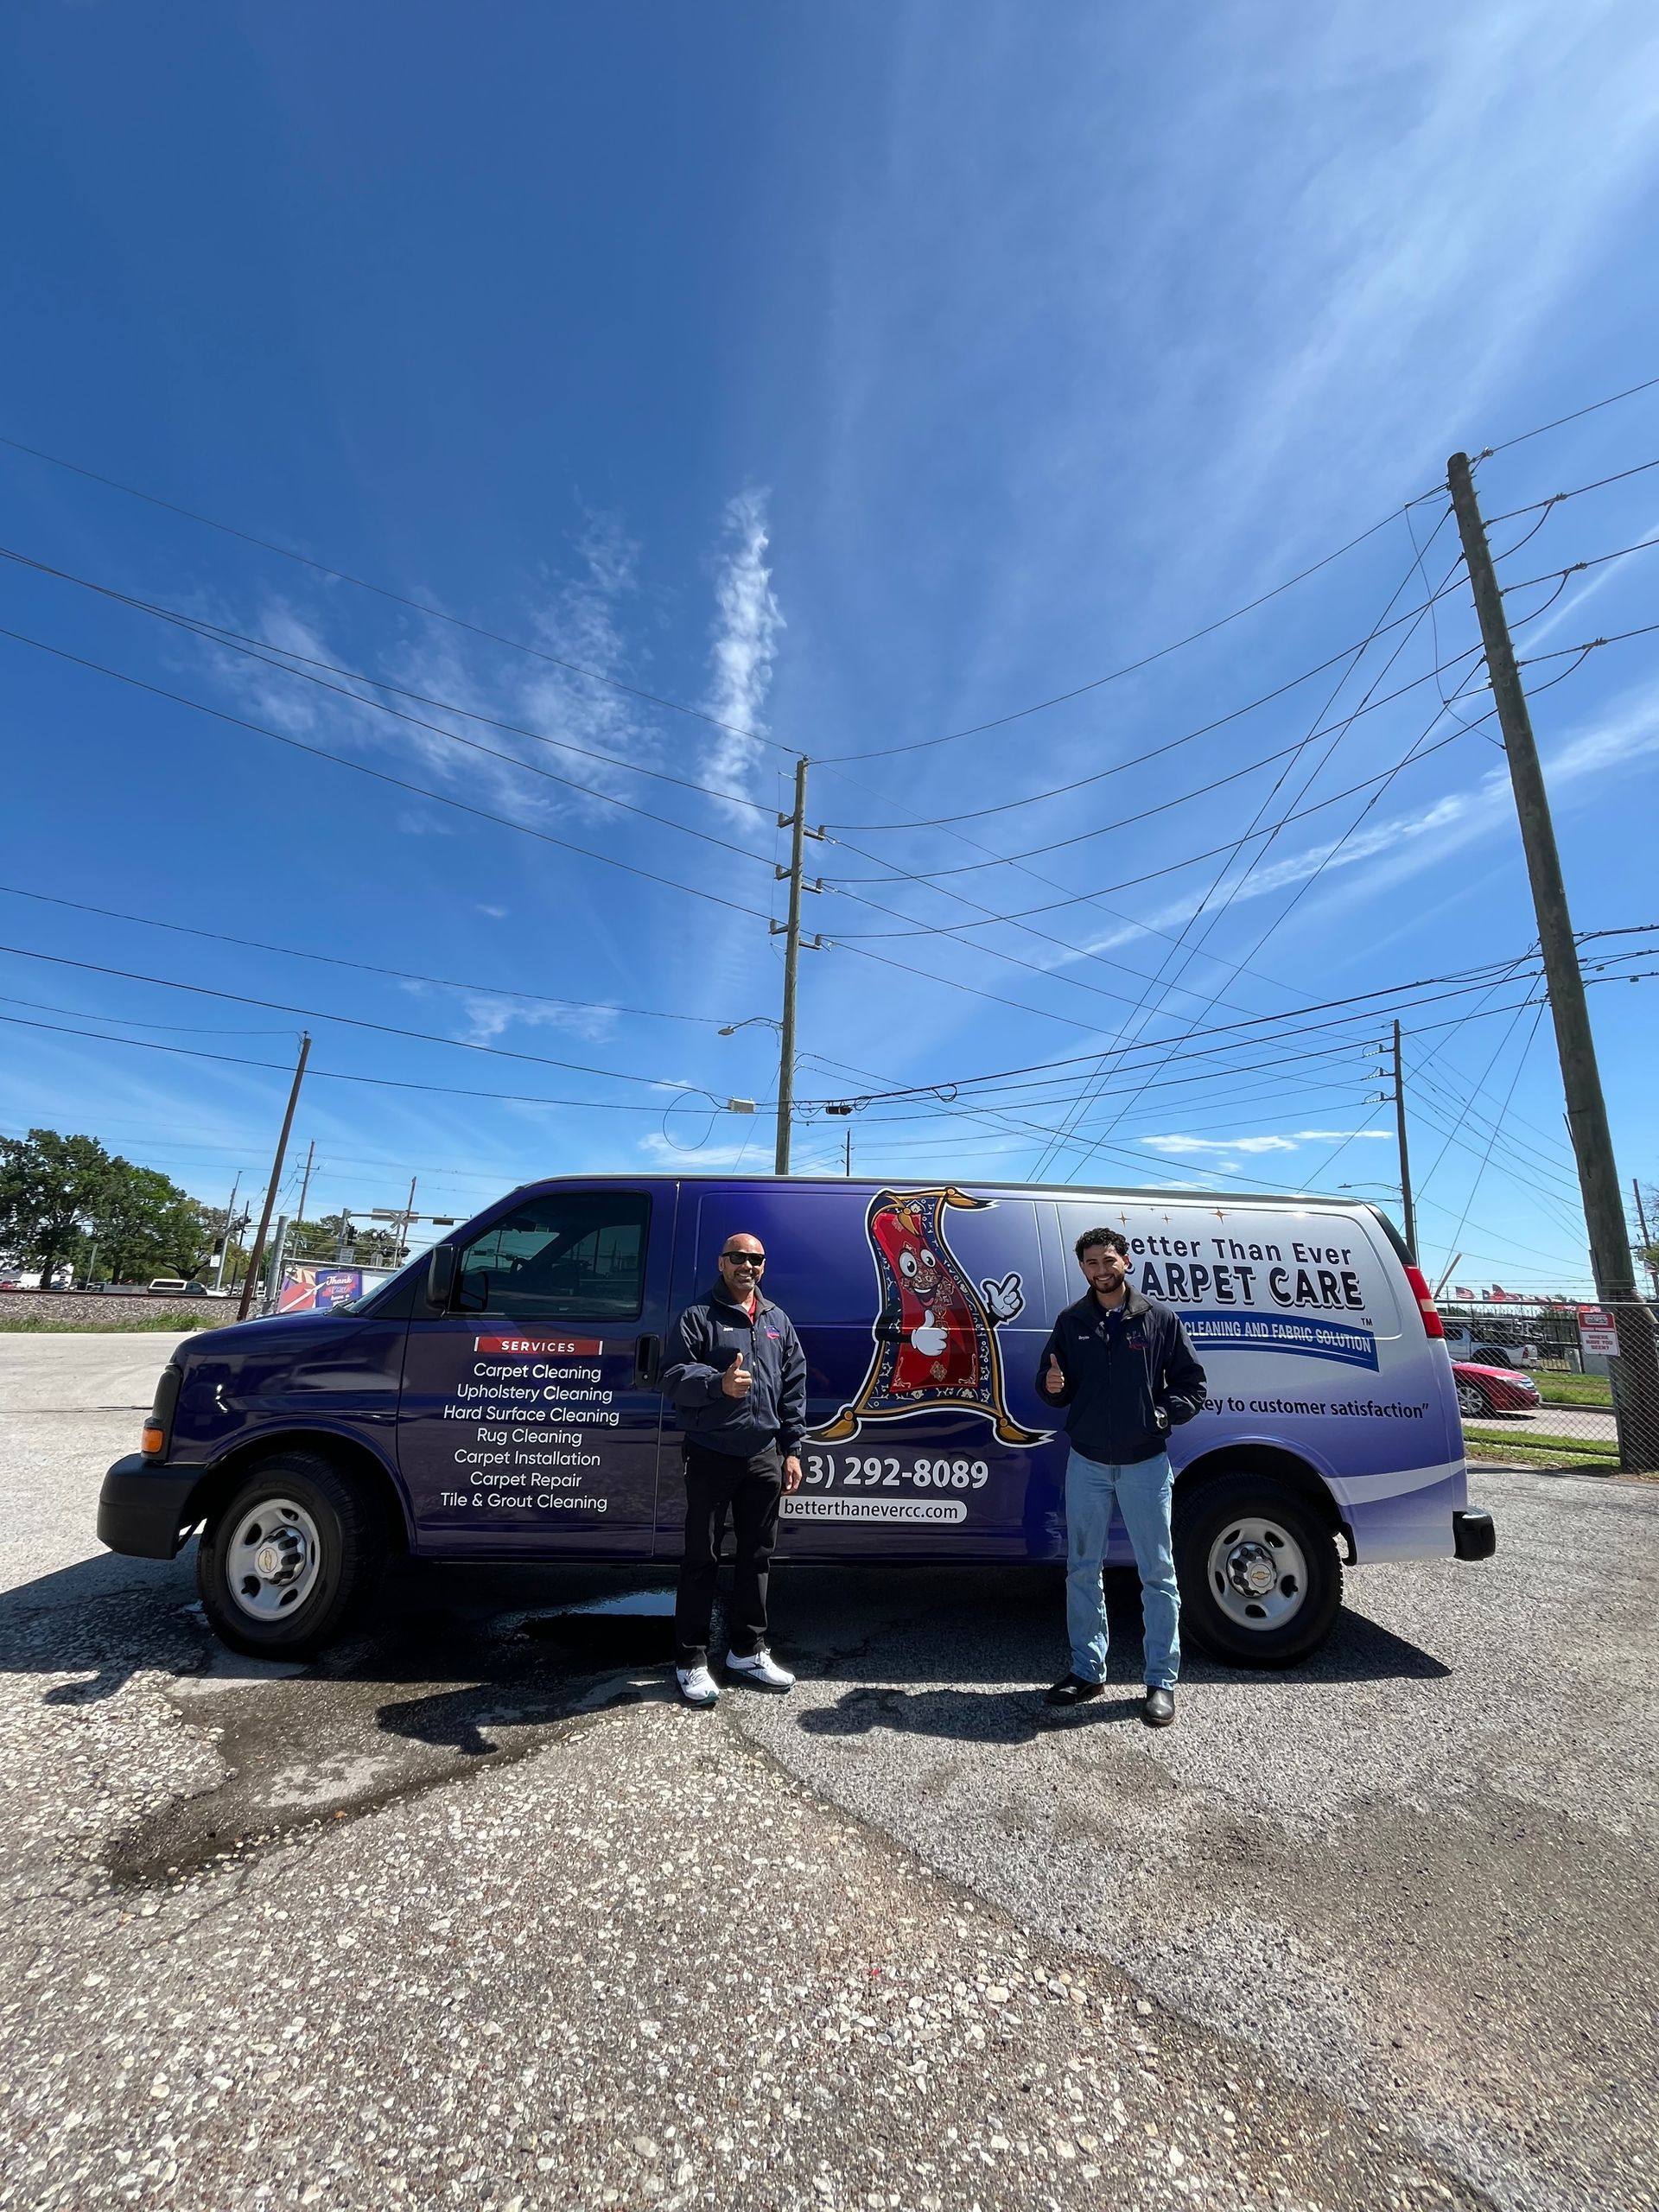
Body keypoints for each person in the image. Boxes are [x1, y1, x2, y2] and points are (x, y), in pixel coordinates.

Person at [1036, 1226, 1206, 1726]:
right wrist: (1050, 1386)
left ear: (1126, 1262)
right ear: (1083, 1268)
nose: (1101, 1270)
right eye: (1091, 1263)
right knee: (1082, 1569)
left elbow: (1192, 1385)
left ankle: (1161, 1682)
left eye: (1108, 1260)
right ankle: (1088, 1670)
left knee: (1158, 1573)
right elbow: (1053, 1387)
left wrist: (1163, 1414)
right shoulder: (1072, 1322)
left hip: (1145, 1465)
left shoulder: (1157, 1319)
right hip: (1086, 1462)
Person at [659, 1231, 807, 1707]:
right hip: (711, 1453)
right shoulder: (698, 1316)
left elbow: (793, 1387)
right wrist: (717, 1383)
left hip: (764, 1456)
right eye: (739, 1258)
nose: (749, 1266)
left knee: (757, 1555)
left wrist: (791, 1449)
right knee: (701, 1558)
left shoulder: (777, 1320)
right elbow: (673, 1376)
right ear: (722, 1263)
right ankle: (690, 1660)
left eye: (757, 1259)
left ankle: (748, 1650)